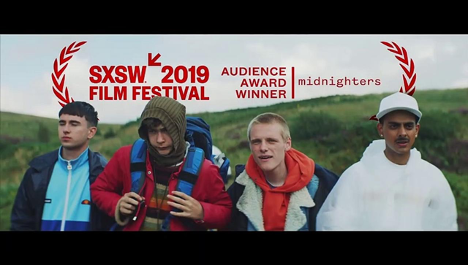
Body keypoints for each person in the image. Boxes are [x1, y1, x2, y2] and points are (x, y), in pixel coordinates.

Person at [316, 92, 458, 231]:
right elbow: (333, 223)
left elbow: (446, 224)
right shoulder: (357, 175)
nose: (402, 133)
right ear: (380, 129)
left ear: (417, 130)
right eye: (394, 126)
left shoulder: (432, 177)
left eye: (408, 126)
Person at [90, 96, 232, 231]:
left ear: (179, 130)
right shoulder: (125, 157)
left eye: (166, 130)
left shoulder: (205, 169)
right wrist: (117, 204)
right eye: (153, 131)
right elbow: (99, 190)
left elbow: (226, 212)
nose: (159, 140)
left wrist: (201, 211)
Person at [225, 112, 339, 231]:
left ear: (287, 144)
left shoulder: (320, 186)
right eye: (256, 141)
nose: (263, 148)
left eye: (271, 141)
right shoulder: (240, 188)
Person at [10, 101, 113, 231]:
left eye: (74, 124)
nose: (66, 130)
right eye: (62, 123)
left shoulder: (104, 173)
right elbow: (21, 222)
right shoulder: (37, 171)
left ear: (91, 132)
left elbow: (112, 224)